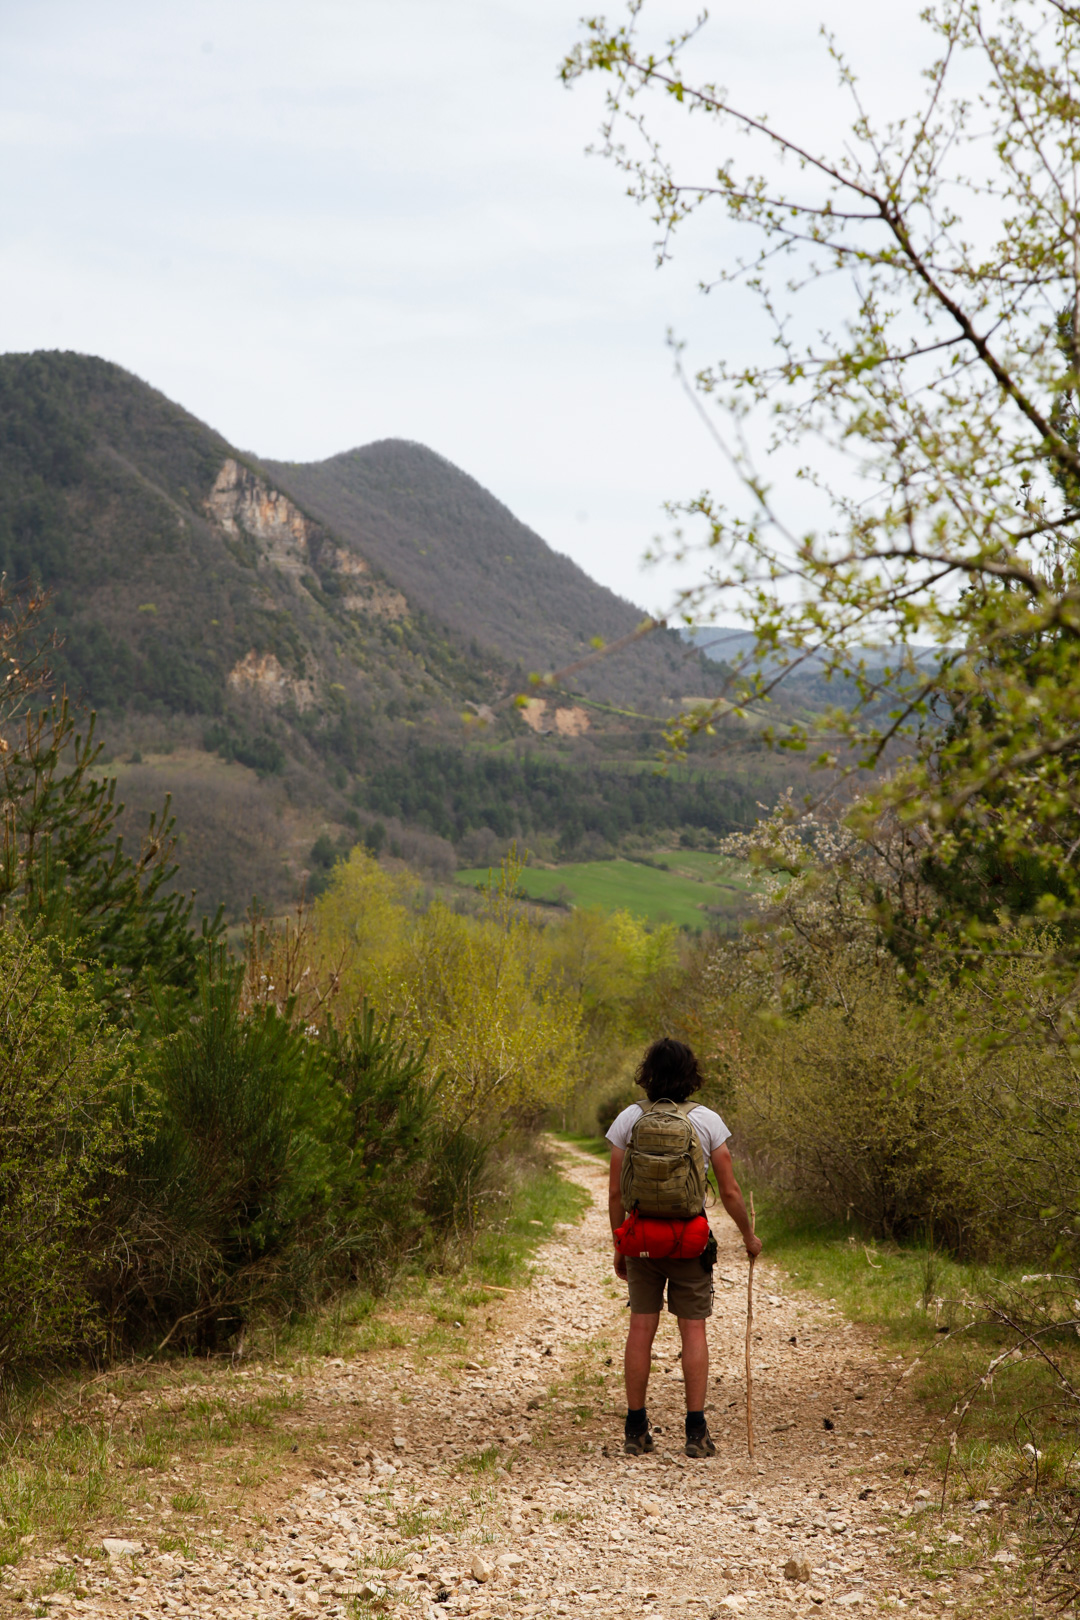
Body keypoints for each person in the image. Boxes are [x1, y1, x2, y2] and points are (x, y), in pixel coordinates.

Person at [606, 1036, 762, 1458]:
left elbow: (617, 1194)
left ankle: (635, 1429)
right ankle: (696, 1433)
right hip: (689, 1242)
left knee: (641, 1328)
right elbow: (730, 1191)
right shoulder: (707, 1121)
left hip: (642, 1242)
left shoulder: (628, 1119)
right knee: (693, 1330)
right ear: (691, 1075)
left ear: (647, 1074)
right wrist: (748, 1236)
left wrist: (620, 1244)